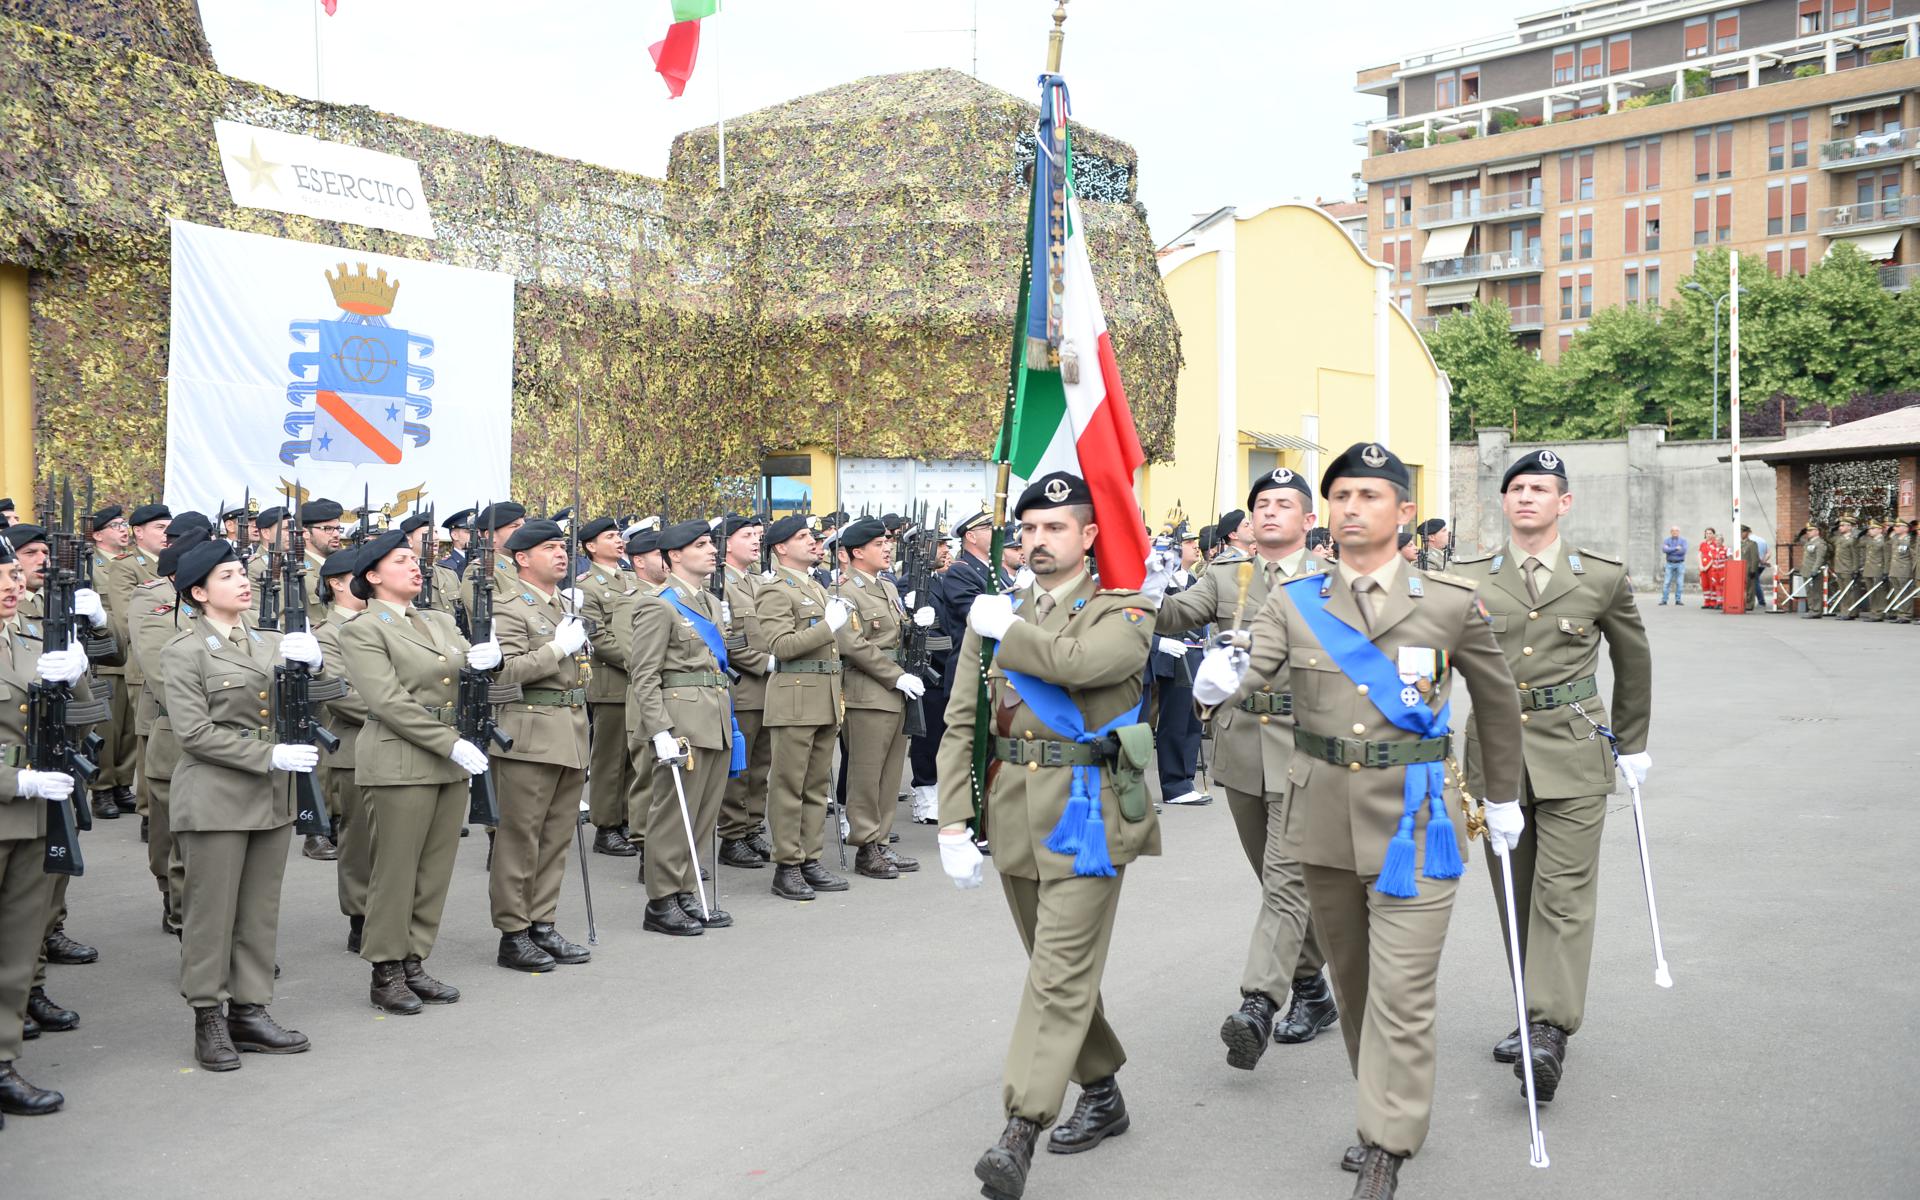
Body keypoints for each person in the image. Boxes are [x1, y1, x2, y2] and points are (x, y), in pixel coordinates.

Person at [1193, 442, 1524, 1199]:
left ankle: (1385, 1145)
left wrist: (1500, 797)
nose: (1350, 509)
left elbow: (1498, 704)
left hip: (1418, 822)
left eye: (1369, 496)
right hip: (1324, 820)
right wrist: (1219, 684)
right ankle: (1381, 1103)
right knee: (1358, 983)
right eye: (1340, 496)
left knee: (1403, 991)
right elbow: (1256, 673)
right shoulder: (1294, 600)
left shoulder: (1447, 602)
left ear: (1403, 512)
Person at [936, 471, 1158, 1200]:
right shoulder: (996, 614)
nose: (1036, 540)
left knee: (1057, 975)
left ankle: (1020, 1126)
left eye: (1054, 527)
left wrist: (1009, 632)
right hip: (1013, 812)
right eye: (1027, 528)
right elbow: (962, 720)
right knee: (1053, 970)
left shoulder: (1123, 610)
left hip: (1089, 813)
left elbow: (1084, 668)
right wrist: (952, 818)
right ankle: (1102, 1087)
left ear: (1089, 536)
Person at [1450, 449, 1653, 1106]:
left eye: (1541, 488)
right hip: (1494, 760)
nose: (1527, 497)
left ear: (1564, 503)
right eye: (1517, 488)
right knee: (1515, 894)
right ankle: (1530, 1005)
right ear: (1503, 504)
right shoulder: (1465, 579)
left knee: (1563, 895)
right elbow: (1431, 662)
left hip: (1574, 750)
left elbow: (1634, 659)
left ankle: (1549, 1029)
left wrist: (1634, 743)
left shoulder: (1600, 576)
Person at [1155, 466, 1338, 1063]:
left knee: (1286, 879)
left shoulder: (1332, 581)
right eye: (1261, 503)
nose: (1269, 512)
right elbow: (1175, 616)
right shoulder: (1229, 574)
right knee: (1275, 876)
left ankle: (1260, 1001)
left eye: (1284, 504)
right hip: (1240, 742)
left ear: (1309, 521)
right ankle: (1312, 987)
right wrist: (1148, 588)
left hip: (1305, 744)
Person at [161, 539, 333, 1071]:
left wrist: (319, 664)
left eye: (242, 572)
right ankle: (208, 1017)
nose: (242, 581)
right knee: (212, 915)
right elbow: (193, 733)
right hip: (215, 796)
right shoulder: (184, 651)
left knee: (259, 911)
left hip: (270, 797)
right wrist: (270, 752)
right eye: (228, 575)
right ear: (198, 592)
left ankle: (250, 1010)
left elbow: (328, 695)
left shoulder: (271, 642)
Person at [337, 529, 485, 1012]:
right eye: (402, 560)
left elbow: (463, 675)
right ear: (373, 576)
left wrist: (490, 662)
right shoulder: (363, 629)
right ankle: (385, 970)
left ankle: (414, 961)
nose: (416, 566)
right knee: (395, 872)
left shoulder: (440, 621)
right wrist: (451, 742)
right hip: (400, 759)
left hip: (448, 758)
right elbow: (387, 702)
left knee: (433, 869)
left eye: (415, 559)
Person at [484, 518, 593, 972]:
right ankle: (514, 932)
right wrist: (557, 649)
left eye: (562, 547)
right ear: (522, 558)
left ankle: (542, 922)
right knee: (520, 837)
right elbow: (502, 673)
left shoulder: (565, 604)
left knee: (555, 837)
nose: (561, 554)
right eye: (549, 547)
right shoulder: (508, 606)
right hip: (529, 730)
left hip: (570, 728)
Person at [0, 536, 81, 1123]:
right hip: (13, 798)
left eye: (12, 574)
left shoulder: (28, 639)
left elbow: (81, 712)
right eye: (0, 577)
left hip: (36, 815)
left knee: (18, 946)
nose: (11, 584)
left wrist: (75, 667)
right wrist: (16, 782)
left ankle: (2, 1065)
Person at [630, 520, 738, 934]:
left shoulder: (708, 603)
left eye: (711, 543)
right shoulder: (658, 604)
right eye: (701, 544)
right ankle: (661, 901)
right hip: (682, 722)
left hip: (714, 716)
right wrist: (658, 730)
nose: (712, 550)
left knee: (703, 813)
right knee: (673, 813)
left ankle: (685, 890)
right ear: (674, 555)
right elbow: (644, 674)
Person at [754, 516, 851, 900]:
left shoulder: (814, 585)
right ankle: (787, 865)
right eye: (803, 537)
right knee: (788, 786)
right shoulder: (775, 589)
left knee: (815, 787)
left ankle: (810, 858)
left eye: (812, 537)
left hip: (825, 695)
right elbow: (781, 646)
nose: (814, 543)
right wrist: (828, 626)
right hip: (795, 697)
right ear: (780, 548)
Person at [834, 516, 924, 880]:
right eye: (878, 544)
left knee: (890, 775)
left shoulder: (886, 587)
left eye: (887, 542)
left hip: (897, 691)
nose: (887, 548)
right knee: (866, 775)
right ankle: (865, 846)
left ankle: (881, 841)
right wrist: (896, 675)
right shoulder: (845, 591)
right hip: (868, 692)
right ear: (857, 552)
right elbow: (851, 644)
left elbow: (894, 636)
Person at [311, 548, 372, 953]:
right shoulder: (325, 635)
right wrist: (408, 716)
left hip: (402, 742)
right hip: (354, 746)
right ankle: (361, 916)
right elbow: (341, 695)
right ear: (336, 582)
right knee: (361, 839)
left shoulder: (382, 623)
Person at [577, 516, 641, 858]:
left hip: (637, 679)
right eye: (610, 536)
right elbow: (598, 637)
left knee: (634, 755)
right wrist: (639, 660)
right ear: (590, 546)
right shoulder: (586, 587)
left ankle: (628, 818)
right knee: (609, 758)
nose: (619, 541)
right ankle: (606, 825)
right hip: (613, 681)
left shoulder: (632, 580)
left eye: (619, 535)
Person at [715, 515, 775, 868]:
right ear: (726, 543)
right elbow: (726, 640)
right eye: (747, 535)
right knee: (739, 766)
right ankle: (733, 834)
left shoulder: (758, 582)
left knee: (761, 765)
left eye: (757, 535)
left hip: (768, 688)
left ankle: (753, 827)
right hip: (742, 684)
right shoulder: (719, 585)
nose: (756, 541)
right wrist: (763, 662)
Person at [86, 503, 138, 821]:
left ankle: (122, 783)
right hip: (106, 655)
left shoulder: (129, 565)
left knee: (130, 727)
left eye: (124, 524)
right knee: (108, 725)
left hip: (130, 652)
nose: (123, 529)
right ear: (98, 534)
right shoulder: (89, 566)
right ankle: (102, 788)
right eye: (116, 524)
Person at [1150, 526, 1207, 809]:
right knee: (1173, 721)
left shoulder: (1194, 578)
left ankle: (1186, 779)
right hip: (1170, 655)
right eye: (1188, 542)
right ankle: (1173, 783)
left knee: (1193, 720)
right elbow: (1145, 615)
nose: (1195, 546)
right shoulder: (1162, 579)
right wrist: (1158, 642)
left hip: (1194, 653)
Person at [1795, 523, 1828, 618]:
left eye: (1810, 530)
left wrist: (1815, 569)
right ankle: (1811, 609)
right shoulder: (1808, 542)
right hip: (1806, 570)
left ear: (1817, 531)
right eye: (1807, 531)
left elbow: (1819, 558)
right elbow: (1797, 540)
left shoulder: (1820, 543)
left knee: (1816, 591)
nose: (1808, 533)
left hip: (1814, 571)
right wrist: (1799, 534)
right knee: (1809, 592)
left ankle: (1817, 611)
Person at [1829, 518, 1860, 620]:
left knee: (1849, 592)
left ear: (1849, 527)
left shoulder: (1852, 540)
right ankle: (1844, 611)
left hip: (1848, 568)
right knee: (1843, 591)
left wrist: (1855, 569)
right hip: (1839, 568)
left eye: (1843, 526)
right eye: (1840, 526)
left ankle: (1850, 612)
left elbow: (1855, 556)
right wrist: (1832, 530)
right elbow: (1829, 539)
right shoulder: (1839, 538)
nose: (1840, 528)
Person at [1858, 521, 1888, 622]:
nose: (1870, 531)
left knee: (1879, 593)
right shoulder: (1869, 540)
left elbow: (1886, 558)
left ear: (1880, 529)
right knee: (1871, 592)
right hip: (1868, 569)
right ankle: (1874, 612)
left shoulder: (1884, 541)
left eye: (1872, 529)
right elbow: (1858, 544)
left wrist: (1885, 571)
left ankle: (1879, 613)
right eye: (1869, 529)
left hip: (1878, 569)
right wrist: (1861, 535)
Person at [1890, 521, 1917, 624]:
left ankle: (1906, 615)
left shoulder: (1909, 540)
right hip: (1895, 570)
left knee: (1905, 593)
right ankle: (1900, 613)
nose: (1895, 528)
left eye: (1897, 526)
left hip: (1905, 570)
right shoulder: (1895, 539)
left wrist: (1913, 571)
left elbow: (1913, 557)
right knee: (1898, 593)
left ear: (1905, 528)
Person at [1699, 529, 1726, 611]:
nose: (1708, 535)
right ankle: (1707, 602)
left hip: (1711, 567)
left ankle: (1713, 602)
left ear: (1713, 534)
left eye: (1710, 533)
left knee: (1713, 585)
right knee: (1705, 584)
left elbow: (1713, 557)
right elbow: (1699, 554)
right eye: (1706, 533)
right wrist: (1700, 565)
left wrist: (1707, 566)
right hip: (1703, 567)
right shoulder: (1702, 544)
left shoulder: (1716, 544)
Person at [1659, 526, 1687, 605]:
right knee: (1666, 582)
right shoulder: (1667, 540)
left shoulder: (1683, 541)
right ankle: (1664, 600)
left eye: (1676, 531)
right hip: (1669, 564)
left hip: (1680, 564)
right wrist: (1676, 548)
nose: (1675, 532)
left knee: (1680, 583)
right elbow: (1664, 550)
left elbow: (1683, 551)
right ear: (1671, 532)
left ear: (1679, 532)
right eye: (1673, 531)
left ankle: (1678, 600)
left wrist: (1670, 549)